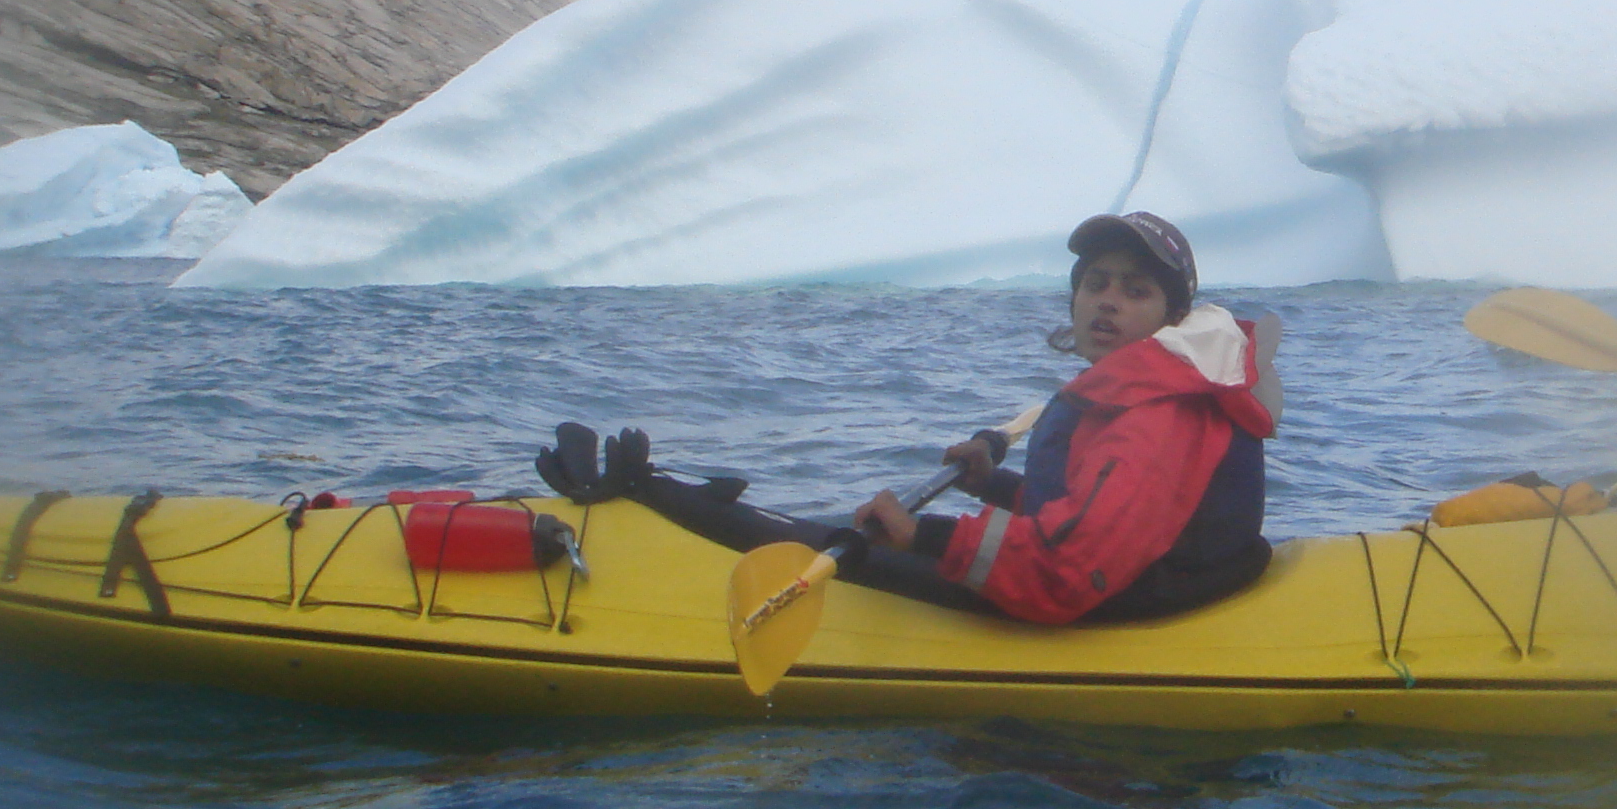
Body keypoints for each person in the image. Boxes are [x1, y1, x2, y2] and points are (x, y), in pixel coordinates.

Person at [538, 212, 1278, 624]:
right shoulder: (1160, 385)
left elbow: (1067, 569)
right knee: (839, 534)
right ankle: (661, 496)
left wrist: (923, 534)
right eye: (1095, 283)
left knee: (829, 541)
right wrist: (994, 487)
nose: (1107, 301)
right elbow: (1100, 515)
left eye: (1136, 290)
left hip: (1119, 601)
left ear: (1173, 315)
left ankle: (653, 497)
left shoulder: (1152, 413)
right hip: (1143, 576)